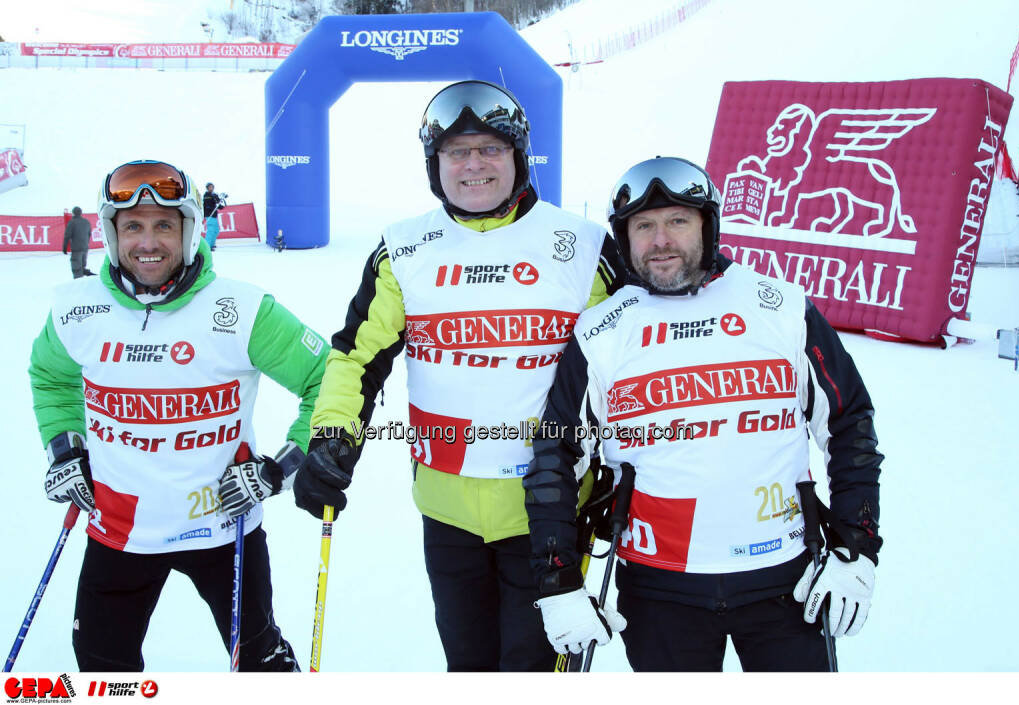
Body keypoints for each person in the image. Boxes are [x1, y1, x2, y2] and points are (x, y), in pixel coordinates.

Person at [292, 80, 625, 671]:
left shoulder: (581, 246)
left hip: (548, 511)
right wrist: (331, 437)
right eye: (456, 152)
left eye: (491, 148)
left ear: (518, 156)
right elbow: (356, 356)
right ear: (434, 164)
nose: (474, 165)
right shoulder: (404, 249)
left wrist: (630, 472)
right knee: (467, 667)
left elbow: (635, 364)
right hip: (446, 511)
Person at [523, 156, 883, 671]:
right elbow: (555, 456)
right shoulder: (601, 331)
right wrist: (557, 580)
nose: (660, 240)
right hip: (660, 589)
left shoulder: (780, 308)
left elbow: (850, 426)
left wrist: (857, 547)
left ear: (707, 225)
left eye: (678, 221)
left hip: (784, 581)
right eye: (643, 226)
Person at [29, 159, 328, 671]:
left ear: (190, 231)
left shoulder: (240, 308)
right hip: (120, 526)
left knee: (259, 659)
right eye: (134, 227)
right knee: (102, 665)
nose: (148, 242)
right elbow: (51, 377)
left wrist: (277, 469)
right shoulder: (76, 310)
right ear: (111, 232)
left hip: (221, 523)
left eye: (165, 224)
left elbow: (328, 381)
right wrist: (65, 448)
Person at [62, 206, 94, 278]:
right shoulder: (86, 222)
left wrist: (65, 248)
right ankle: (85, 280)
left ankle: (78, 285)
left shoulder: (72, 222)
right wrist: (86, 243)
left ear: (73, 213)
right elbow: (89, 234)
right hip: (85, 247)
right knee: (82, 267)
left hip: (76, 249)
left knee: (76, 269)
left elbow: (67, 236)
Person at [203, 182, 225, 251]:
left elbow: (218, 203)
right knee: (211, 230)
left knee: (216, 230)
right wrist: (214, 199)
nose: (211, 188)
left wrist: (222, 200)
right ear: (207, 188)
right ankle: (207, 246)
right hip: (209, 214)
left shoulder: (214, 194)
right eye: (210, 187)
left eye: (212, 187)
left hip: (214, 215)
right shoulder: (206, 195)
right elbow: (209, 203)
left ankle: (212, 244)